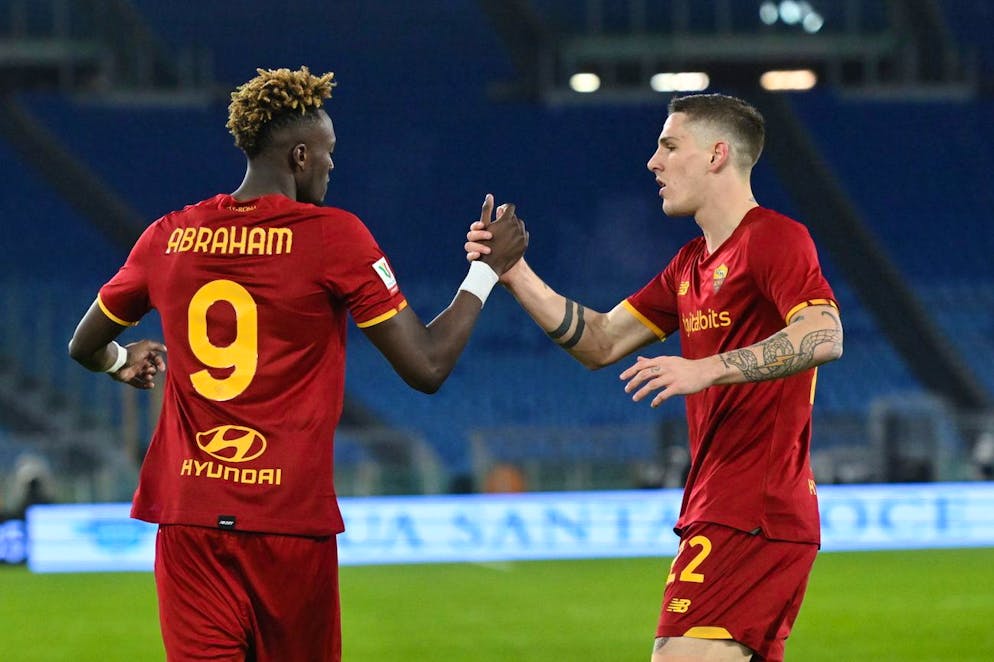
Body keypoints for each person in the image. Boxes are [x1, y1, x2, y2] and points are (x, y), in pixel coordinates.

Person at [68, 65, 527, 662]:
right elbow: (428, 366)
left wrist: (119, 360)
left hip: (190, 524)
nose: (332, 166)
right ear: (301, 155)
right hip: (288, 529)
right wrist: (486, 271)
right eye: (329, 153)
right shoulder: (334, 237)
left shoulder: (169, 236)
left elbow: (83, 345)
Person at [466, 93, 843, 661]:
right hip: (720, 506)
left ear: (717, 155)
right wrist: (513, 271)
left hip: (755, 509)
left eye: (669, 146)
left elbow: (824, 334)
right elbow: (601, 340)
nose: (653, 162)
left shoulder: (773, 238)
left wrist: (707, 368)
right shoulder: (689, 265)